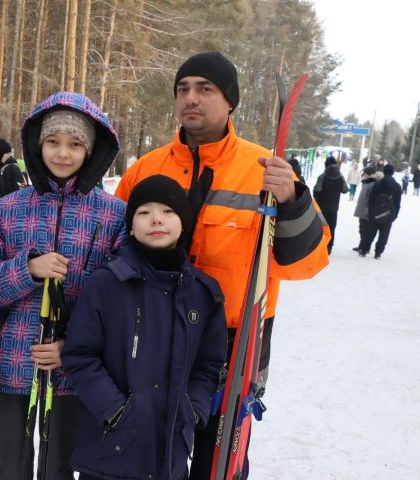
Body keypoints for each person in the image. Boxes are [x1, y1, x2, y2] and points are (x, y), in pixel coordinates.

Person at [114, 51, 330, 479]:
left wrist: (291, 202)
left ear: (230, 101)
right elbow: (113, 251)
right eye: (183, 89)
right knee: (150, 450)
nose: (191, 98)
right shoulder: (146, 169)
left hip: (236, 338)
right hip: (153, 329)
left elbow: (309, 263)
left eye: (204, 89)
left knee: (221, 457)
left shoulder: (266, 171)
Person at [0, 91, 127, 480]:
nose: (63, 153)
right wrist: (27, 269)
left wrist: (72, 346)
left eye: (76, 144)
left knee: (60, 465)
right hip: (16, 362)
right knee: (14, 464)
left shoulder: (112, 215)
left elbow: (119, 301)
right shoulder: (8, 208)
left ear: (91, 151)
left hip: (76, 367)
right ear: (36, 144)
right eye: (53, 142)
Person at [62, 175, 227, 480]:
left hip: (170, 454)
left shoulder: (204, 294)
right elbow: (79, 356)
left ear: (184, 222)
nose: (156, 220)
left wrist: (193, 409)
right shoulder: (107, 283)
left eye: (168, 211)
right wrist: (115, 411)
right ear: (131, 225)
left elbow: (210, 364)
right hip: (109, 450)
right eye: (143, 212)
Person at [359, 163, 402, 259]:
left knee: (370, 233)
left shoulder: (378, 184)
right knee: (384, 235)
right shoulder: (397, 186)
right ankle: (378, 252)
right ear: (393, 172)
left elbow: (371, 198)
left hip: (375, 212)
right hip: (389, 214)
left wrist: (370, 211)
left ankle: (364, 250)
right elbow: (398, 203)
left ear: (384, 171)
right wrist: (395, 215)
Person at [313, 156, 349, 254]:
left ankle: (319, 246)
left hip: (321, 207)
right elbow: (345, 190)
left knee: (321, 227)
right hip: (334, 208)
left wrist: (316, 199)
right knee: (332, 227)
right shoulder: (340, 177)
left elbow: (317, 189)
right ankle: (329, 247)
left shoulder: (322, 176)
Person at [352, 166, 377, 253]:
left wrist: (367, 210)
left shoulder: (372, 184)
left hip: (366, 211)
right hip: (363, 209)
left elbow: (371, 199)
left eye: (365, 174)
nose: (364, 175)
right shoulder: (367, 182)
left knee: (365, 230)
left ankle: (365, 247)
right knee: (362, 229)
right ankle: (362, 245)